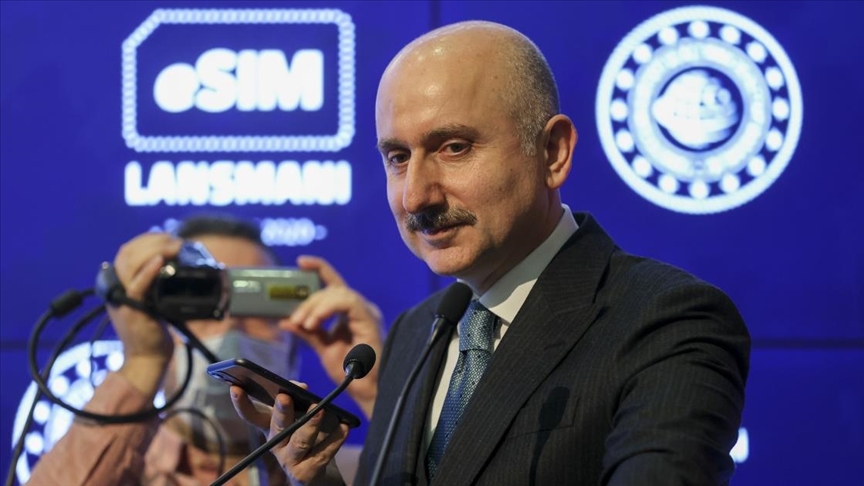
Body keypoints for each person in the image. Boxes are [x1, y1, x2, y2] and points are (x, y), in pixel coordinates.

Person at [233, 19, 751, 486]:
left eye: (454, 148)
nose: (415, 197)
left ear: (552, 152)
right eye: (397, 157)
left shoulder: (666, 321)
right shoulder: (417, 333)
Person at [26, 213, 382, 485]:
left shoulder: (354, 474)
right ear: (158, 324)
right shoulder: (120, 468)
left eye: (255, 303)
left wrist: (379, 392)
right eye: (202, 300)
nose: (231, 326)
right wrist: (143, 361)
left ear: (293, 343)